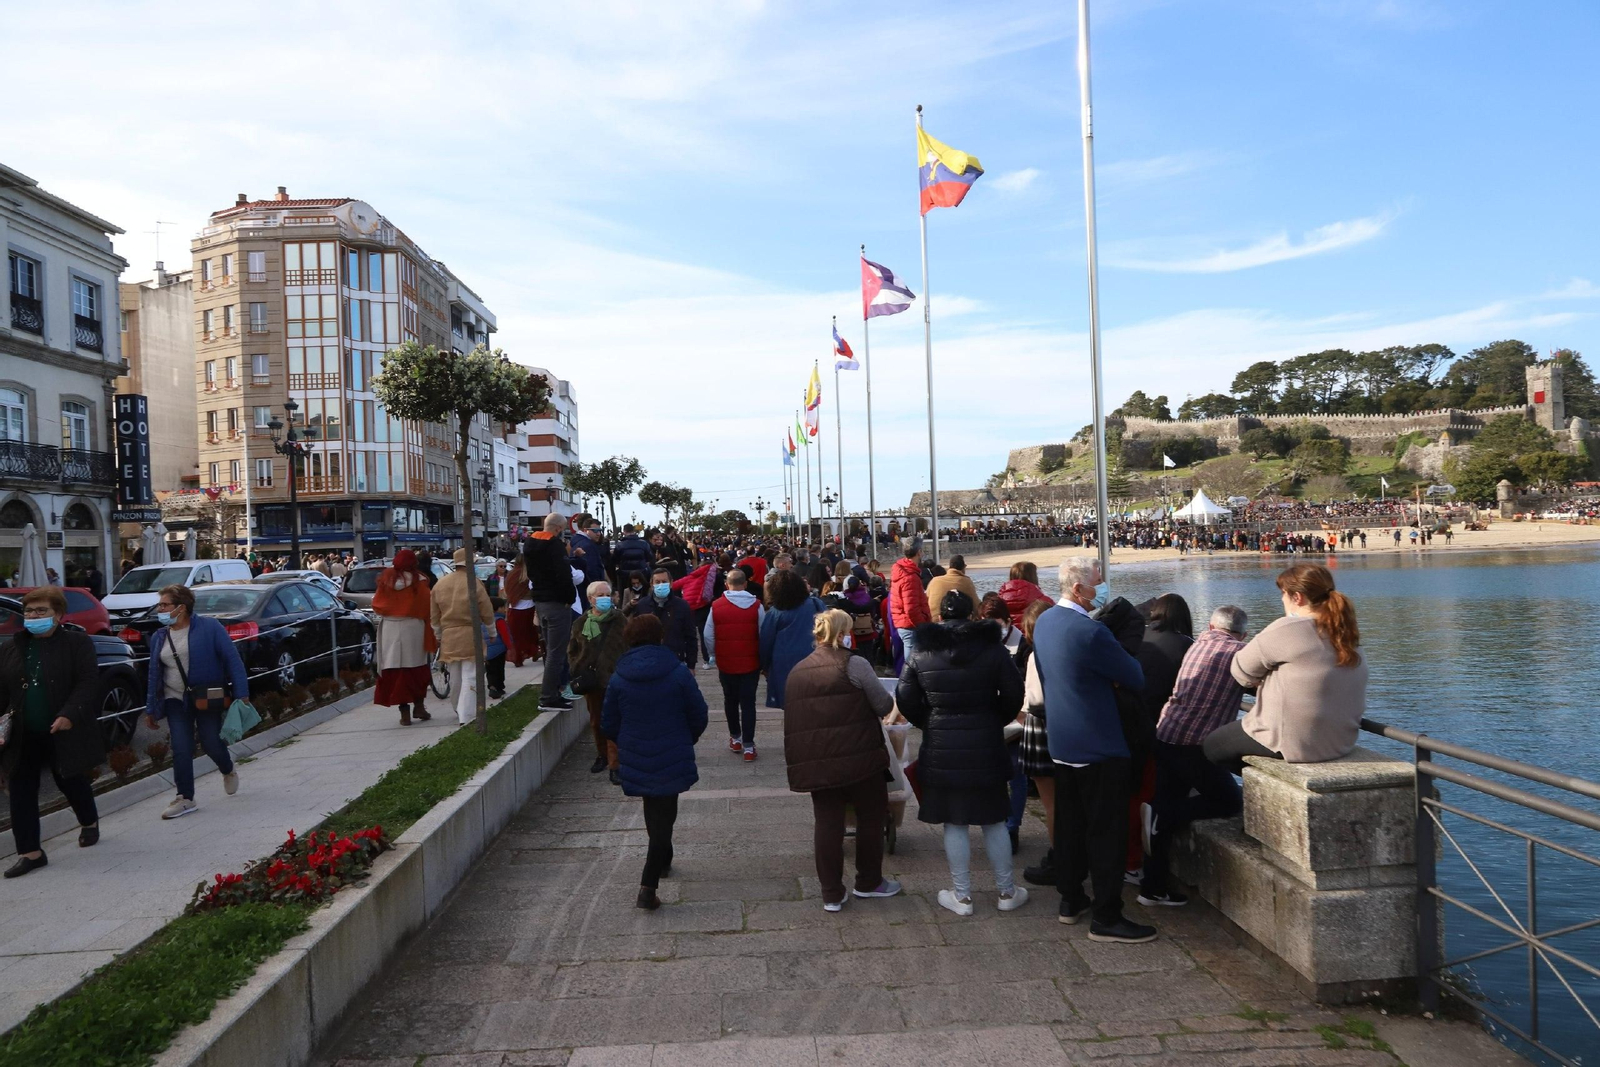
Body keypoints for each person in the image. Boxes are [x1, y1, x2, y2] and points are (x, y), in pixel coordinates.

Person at [1032, 556, 1155, 944]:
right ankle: (1107, 915)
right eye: (1098, 582)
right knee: (1106, 832)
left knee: (1070, 826)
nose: (1102, 589)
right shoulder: (1091, 633)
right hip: (1099, 744)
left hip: (1063, 740)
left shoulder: (1047, 621)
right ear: (1079, 589)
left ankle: (1070, 900)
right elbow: (1134, 675)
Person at [896, 589, 1028, 916]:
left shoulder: (922, 651)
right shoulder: (993, 649)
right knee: (994, 818)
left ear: (940, 616)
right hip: (985, 742)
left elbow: (905, 696)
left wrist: (929, 720)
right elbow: (1015, 693)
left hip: (942, 745)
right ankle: (1006, 891)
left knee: (954, 821)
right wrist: (994, 717)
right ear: (973, 616)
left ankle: (963, 896)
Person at [783, 608, 902, 912]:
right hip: (860, 758)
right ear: (840, 634)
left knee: (827, 824)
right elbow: (883, 703)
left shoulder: (797, 671)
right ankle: (869, 882)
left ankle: (832, 893)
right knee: (871, 817)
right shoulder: (855, 663)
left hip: (816, 762)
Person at [1204, 564, 1367, 772]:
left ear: (1297, 597)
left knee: (1212, 745)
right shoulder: (1346, 631)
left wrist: (1264, 678)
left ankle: (1258, 787)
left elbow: (1240, 670)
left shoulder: (1287, 628)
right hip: (1341, 741)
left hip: (1295, 742)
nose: (1282, 600)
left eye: (1283, 594)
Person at [1141, 605, 1250, 906]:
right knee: (1229, 800)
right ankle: (1162, 815)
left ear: (1211, 626)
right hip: (1193, 744)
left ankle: (1152, 888)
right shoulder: (1239, 654)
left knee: (1165, 802)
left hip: (1166, 732)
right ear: (1243, 634)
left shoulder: (1197, 643)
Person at [601, 614, 708, 910]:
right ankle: (648, 886)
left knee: (653, 806)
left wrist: (626, 742)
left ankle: (663, 859)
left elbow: (608, 722)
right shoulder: (677, 672)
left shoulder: (620, 677)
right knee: (665, 811)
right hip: (672, 748)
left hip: (636, 752)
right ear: (660, 637)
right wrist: (687, 738)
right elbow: (698, 712)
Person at [0, 587, 103, 877]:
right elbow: (2, 691)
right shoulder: (11, 647)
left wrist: (69, 714)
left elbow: (87, 682)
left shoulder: (77, 643)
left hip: (61, 729)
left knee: (70, 780)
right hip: (22, 733)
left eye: (41, 611)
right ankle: (31, 853)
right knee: (20, 790)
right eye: (29, 611)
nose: (33, 616)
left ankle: (89, 821)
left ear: (57, 615)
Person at [144, 584, 252, 820]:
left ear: (181, 607)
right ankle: (185, 797)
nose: (159, 609)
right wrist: (150, 708)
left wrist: (242, 694)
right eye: (159, 604)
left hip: (206, 696)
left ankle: (227, 768)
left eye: (164, 605)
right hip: (175, 699)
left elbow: (232, 660)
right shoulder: (159, 636)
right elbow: (154, 674)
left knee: (211, 741)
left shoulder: (210, 627)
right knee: (181, 748)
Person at [1128, 593, 1194, 905]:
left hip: (1131, 726)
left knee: (1134, 795)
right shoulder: (1185, 646)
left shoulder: (1141, 638)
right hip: (1162, 731)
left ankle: (1130, 862)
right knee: (1155, 800)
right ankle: (1150, 876)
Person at [567, 580, 630, 785]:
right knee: (596, 721)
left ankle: (615, 763)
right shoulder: (581, 623)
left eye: (607, 595)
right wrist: (577, 667)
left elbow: (628, 644)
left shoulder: (619, 619)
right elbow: (573, 650)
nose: (604, 599)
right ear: (590, 599)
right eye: (600, 595)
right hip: (592, 681)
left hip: (616, 679)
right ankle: (602, 755)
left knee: (614, 721)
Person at [704, 567, 764, 759]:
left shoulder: (716, 606)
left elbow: (708, 635)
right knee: (748, 703)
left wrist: (714, 654)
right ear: (745, 584)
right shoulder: (757, 605)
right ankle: (749, 745)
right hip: (751, 662)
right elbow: (763, 633)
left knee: (730, 700)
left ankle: (735, 737)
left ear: (726, 584)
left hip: (726, 662)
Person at [430, 549, 496, 726]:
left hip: (449, 635)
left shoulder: (440, 584)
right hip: (470, 633)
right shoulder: (473, 583)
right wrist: (492, 632)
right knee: (470, 675)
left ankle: (457, 707)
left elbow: (434, 616)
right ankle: (465, 715)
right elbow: (487, 610)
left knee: (455, 675)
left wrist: (438, 635)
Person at [370, 549, 436, 725]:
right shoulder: (420, 581)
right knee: (416, 667)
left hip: (390, 627)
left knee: (395, 668)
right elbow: (426, 605)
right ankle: (419, 706)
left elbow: (377, 603)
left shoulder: (386, 579)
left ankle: (404, 713)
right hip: (413, 627)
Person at [524, 513, 577, 712]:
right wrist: (569, 598)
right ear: (557, 528)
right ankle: (548, 697)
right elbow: (564, 575)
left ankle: (551, 693)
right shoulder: (555, 546)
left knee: (549, 650)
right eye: (562, 530)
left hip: (540, 601)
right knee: (557, 652)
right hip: (557, 602)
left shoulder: (529, 544)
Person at [759, 569, 824, 709]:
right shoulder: (815, 604)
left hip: (784, 663)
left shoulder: (775, 613)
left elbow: (766, 641)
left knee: (790, 703)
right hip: (814, 656)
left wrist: (764, 665)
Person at [629, 567, 698, 668]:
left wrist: (691, 665)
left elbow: (691, 637)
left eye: (664, 581)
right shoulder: (642, 605)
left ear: (671, 583)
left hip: (675, 661)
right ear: (652, 584)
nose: (661, 584)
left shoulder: (682, 606)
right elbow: (635, 636)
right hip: (648, 662)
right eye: (657, 582)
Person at [888, 537, 930, 661]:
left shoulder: (902, 570)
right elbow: (911, 608)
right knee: (912, 662)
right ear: (919, 552)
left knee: (910, 660)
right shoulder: (910, 576)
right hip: (910, 625)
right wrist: (923, 624)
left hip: (904, 622)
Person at [503, 557, 537, 668]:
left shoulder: (511, 574)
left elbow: (508, 590)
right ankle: (533, 651)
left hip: (514, 608)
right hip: (529, 607)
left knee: (516, 636)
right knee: (530, 633)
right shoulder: (528, 574)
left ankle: (518, 657)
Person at [925, 554, 979, 622]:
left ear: (949, 567)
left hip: (934, 622)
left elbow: (925, 600)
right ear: (964, 568)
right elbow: (977, 606)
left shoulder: (935, 581)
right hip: (959, 624)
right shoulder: (966, 582)